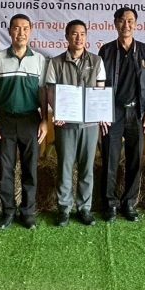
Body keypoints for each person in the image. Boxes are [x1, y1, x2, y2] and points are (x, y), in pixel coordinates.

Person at [0, 14, 48, 230]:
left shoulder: (39, 60)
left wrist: (45, 120)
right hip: (4, 120)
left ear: (30, 31)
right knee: (6, 169)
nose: (21, 33)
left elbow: (43, 92)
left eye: (25, 28)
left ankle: (28, 213)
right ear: (10, 31)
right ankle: (8, 212)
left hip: (31, 120)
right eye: (16, 28)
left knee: (30, 169)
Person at [46, 20, 106, 227]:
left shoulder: (97, 61)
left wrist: (100, 112)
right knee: (64, 166)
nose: (78, 38)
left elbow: (100, 90)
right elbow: (51, 91)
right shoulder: (55, 62)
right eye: (74, 33)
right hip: (65, 124)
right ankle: (64, 208)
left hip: (89, 125)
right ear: (66, 37)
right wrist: (57, 111)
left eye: (82, 34)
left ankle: (84, 208)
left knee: (87, 167)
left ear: (86, 37)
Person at [98, 7, 145, 223]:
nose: (126, 25)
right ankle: (110, 204)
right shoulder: (106, 51)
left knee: (135, 160)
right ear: (115, 23)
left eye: (130, 21)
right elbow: (99, 84)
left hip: (137, 112)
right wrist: (102, 111)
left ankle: (129, 203)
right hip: (113, 112)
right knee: (110, 158)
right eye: (122, 20)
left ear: (136, 24)